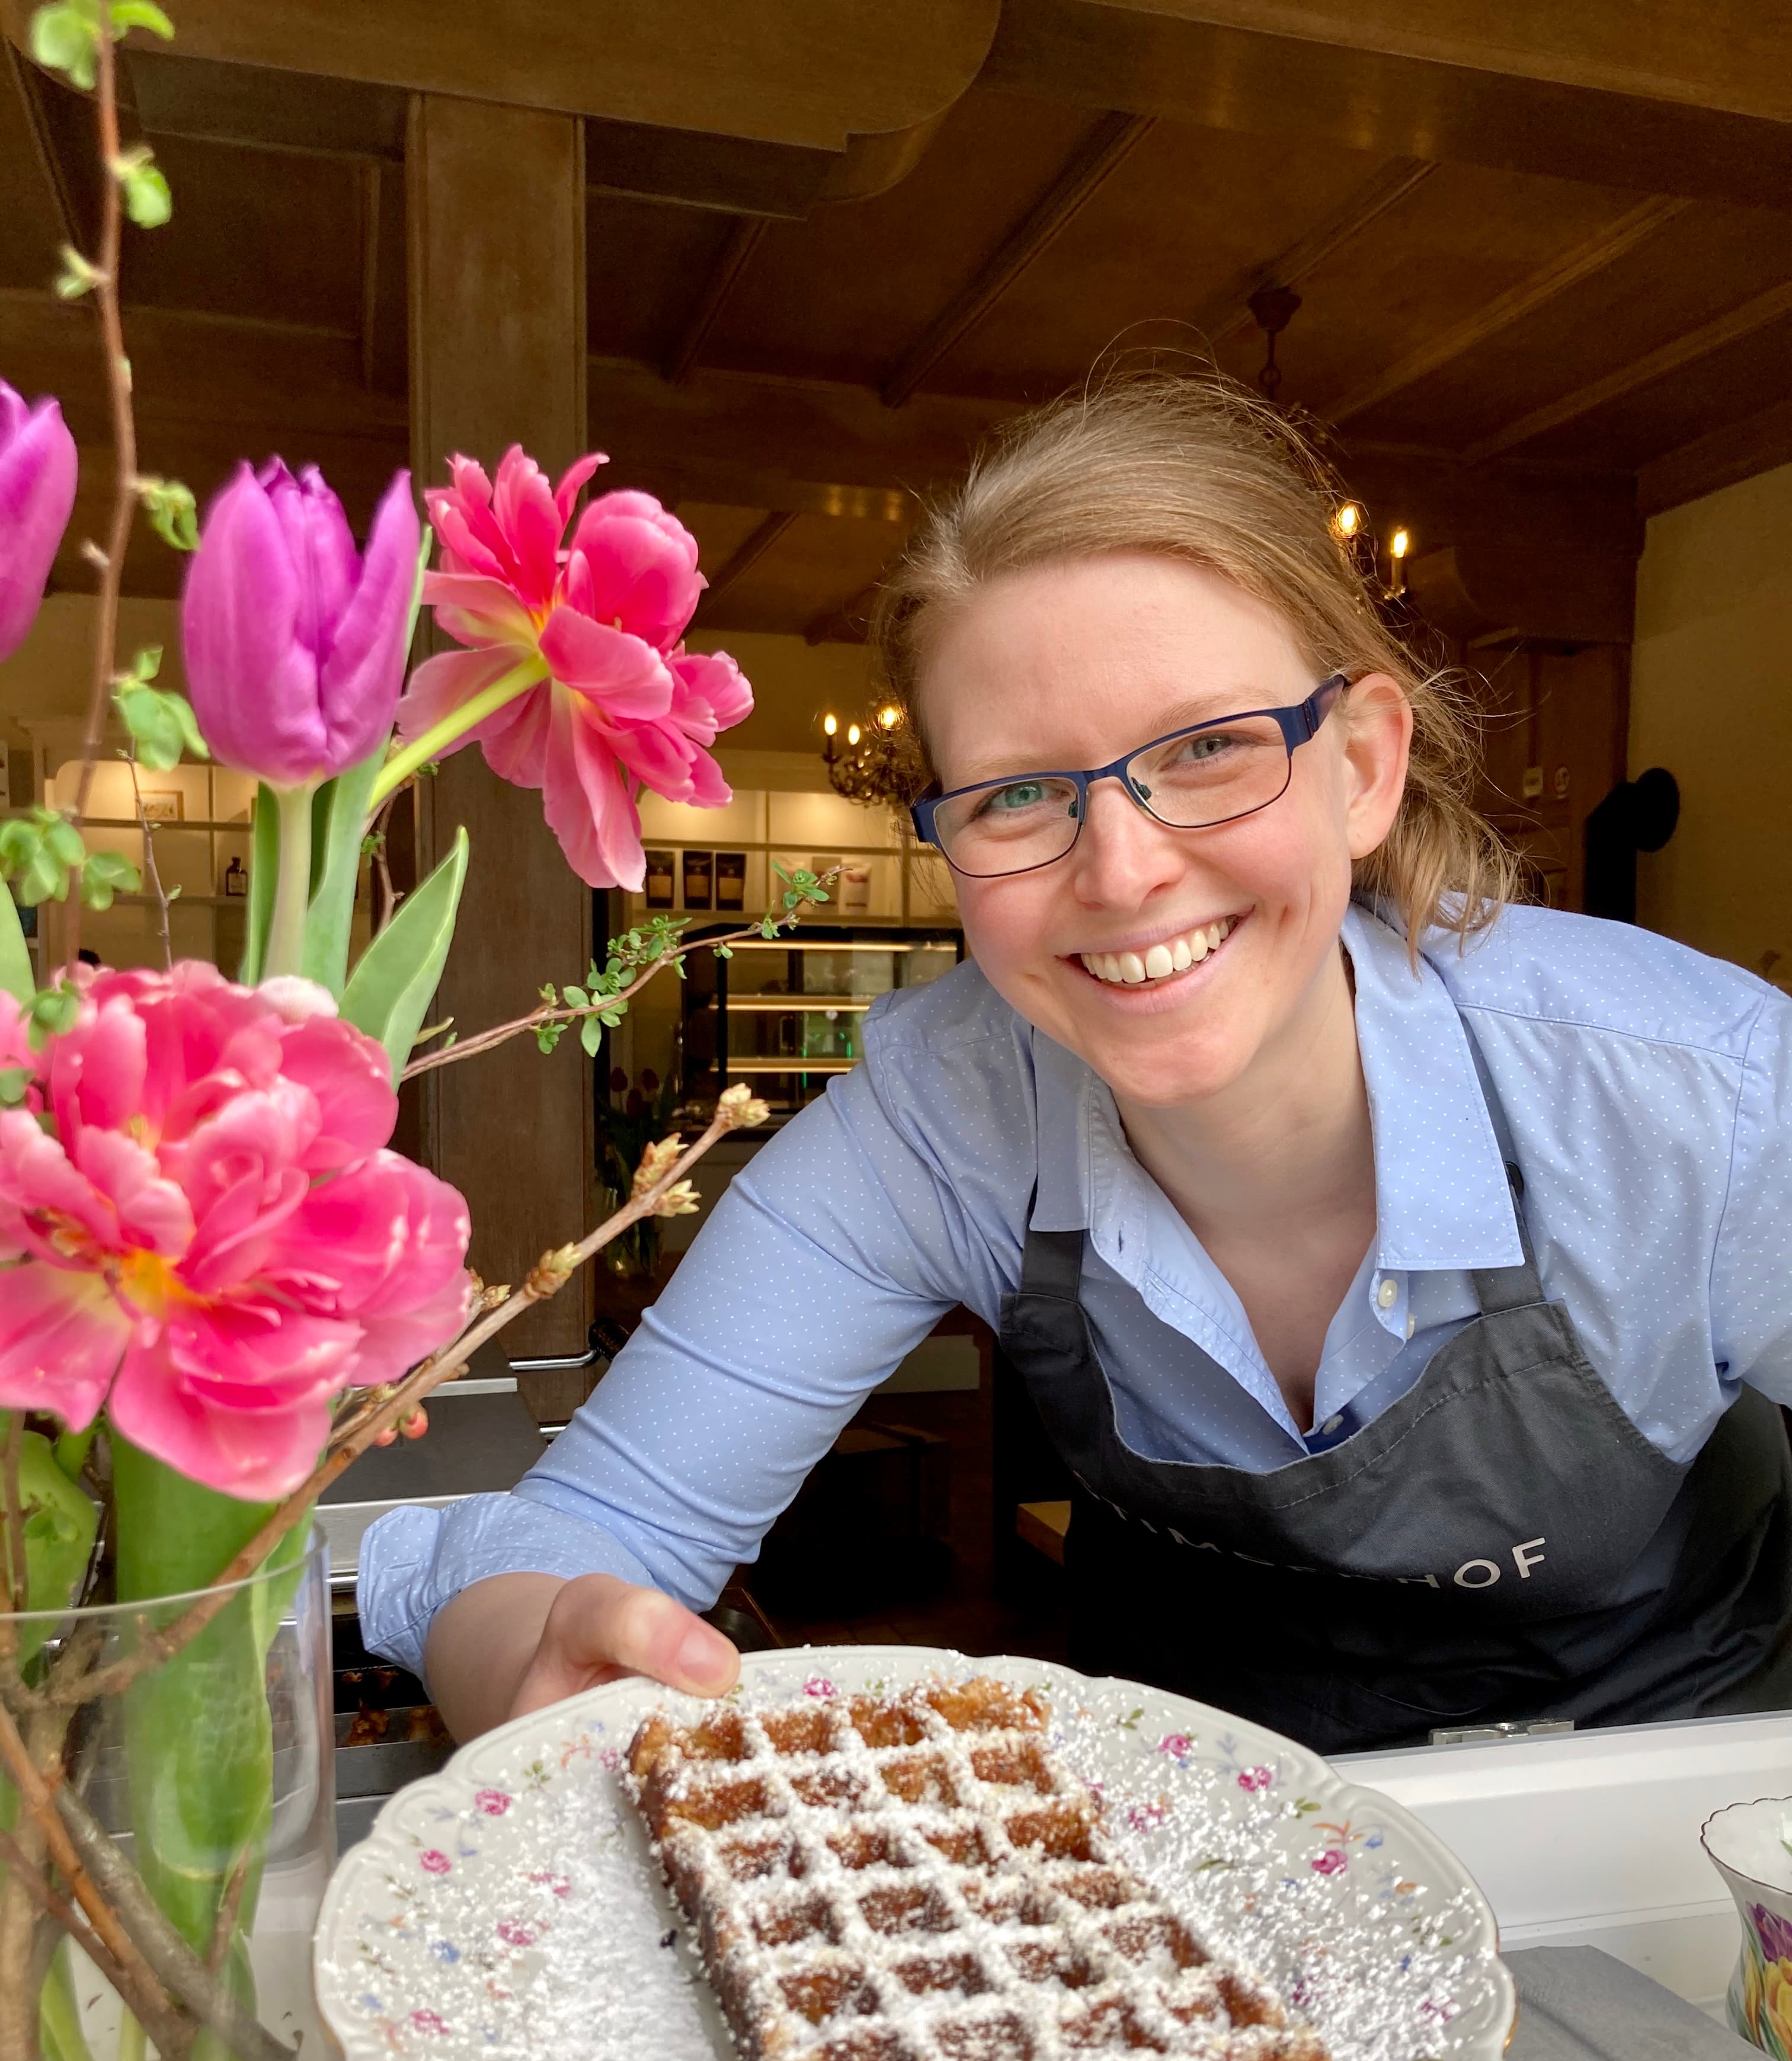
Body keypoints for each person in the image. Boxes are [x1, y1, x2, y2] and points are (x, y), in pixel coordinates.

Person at [360, 376, 1792, 1756]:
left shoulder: (1700, 1099)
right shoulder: (938, 1130)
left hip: (1677, 1829)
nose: (1122, 869)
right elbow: (571, 1539)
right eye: (1020, 794)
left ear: (1361, 765)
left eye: (1213, 749)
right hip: (1201, 1854)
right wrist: (541, 1652)